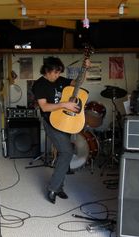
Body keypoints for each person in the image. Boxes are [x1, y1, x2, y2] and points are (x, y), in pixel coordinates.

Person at [32, 56, 90, 204]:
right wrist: (65, 104)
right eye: (55, 73)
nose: (57, 75)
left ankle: (59, 187)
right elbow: (44, 106)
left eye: (59, 73)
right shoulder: (39, 85)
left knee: (64, 153)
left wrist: (86, 69)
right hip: (51, 122)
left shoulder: (60, 80)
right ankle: (52, 188)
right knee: (67, 152)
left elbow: (78, 83)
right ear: (47, 70)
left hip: (66, 121)